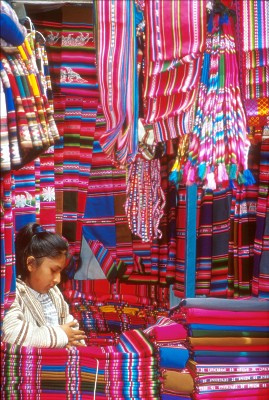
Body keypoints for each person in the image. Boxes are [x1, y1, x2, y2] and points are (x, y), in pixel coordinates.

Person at [2, 222, 87, 348]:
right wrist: (61, 335)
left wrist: (76, 344)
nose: (58, 279)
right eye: (53, 270)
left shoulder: (54, 293)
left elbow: (71, 326)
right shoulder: (15, 294)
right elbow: (11, 333)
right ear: (31, 263)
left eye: (60, 272)